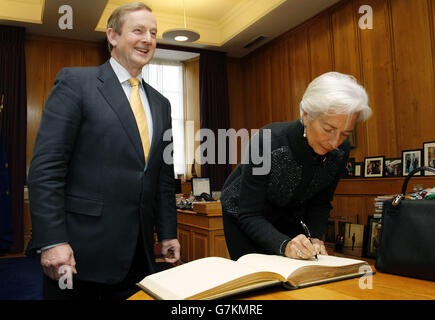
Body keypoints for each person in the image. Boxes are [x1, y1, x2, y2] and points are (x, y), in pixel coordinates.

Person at [26, 2, 180, 300]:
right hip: (79, 254)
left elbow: (162, 175)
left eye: (153, 32)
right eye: (138, 30)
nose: (148, 39)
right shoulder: (76, 83)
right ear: (112, 36)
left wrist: (168, 231)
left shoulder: (162, 103)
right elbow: (46, 169)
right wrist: (52, 240)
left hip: (140, 255)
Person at [221, 72, 372, 261]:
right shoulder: (267, 141)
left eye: (345, 133)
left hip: (289, 214)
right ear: (306, 116)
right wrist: (284, 245)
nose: (335, 142)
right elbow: (249, 213)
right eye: (328, 129)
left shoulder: (341, 150)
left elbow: (321, 202)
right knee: (258, 278)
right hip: (245, 215)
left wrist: (315, 238)